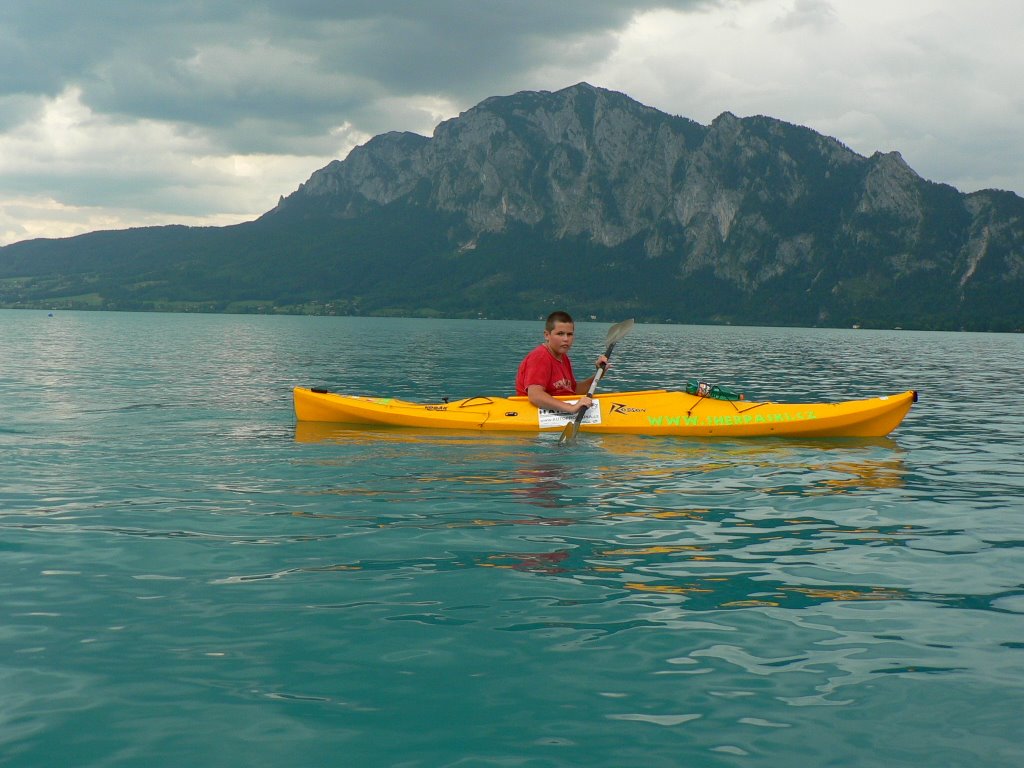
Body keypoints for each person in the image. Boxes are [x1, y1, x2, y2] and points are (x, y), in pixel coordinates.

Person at [515, 311, 608, 414]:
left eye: (569, 334)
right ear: (547, 335)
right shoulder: (540, 357)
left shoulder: (563, 357)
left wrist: (599, 374)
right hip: (532, 414)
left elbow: (574, 390)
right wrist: (571, 408)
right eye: (560, 334)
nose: (566, 339)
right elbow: (535, 395)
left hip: (561, 410)